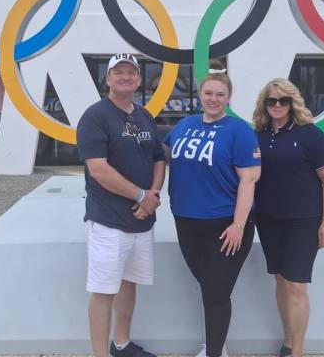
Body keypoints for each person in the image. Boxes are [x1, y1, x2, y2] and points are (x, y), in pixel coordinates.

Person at [163, 62, 261, 357]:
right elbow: (163, 156)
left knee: (217, 292)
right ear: (200, 94)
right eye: (208, 93)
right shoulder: (184, 125)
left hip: (224, 224)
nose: (213, 99)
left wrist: (239, 225)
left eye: (220, 94)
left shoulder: (239, 131)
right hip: (186, 221)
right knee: (208, 286)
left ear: (228, 97)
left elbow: (249, 178)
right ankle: (215, 342)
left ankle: (214, 352)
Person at [76, 53, 166, 357]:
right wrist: (141, 197)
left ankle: (122, 344)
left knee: (130, 284)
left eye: (131, 72)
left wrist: (152, 194)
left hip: (142, 221)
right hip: (108, 221)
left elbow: (158, 158)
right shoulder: (95, 116)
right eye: (119, 72)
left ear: (139, 79)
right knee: (103, 291)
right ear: (108, 79)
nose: (125, 77)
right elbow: (98, 169)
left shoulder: (144, 116)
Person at [252, 78, 324, 357]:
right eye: (272, 100)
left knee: (296, 285)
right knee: (280, 280)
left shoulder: (309, 133)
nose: (277, 105)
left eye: (283, 100)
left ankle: (297, 352)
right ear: (265, 104)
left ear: (293, 103)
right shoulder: (259, 134)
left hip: (303, 221)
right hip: (268, 219)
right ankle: (288, 342)